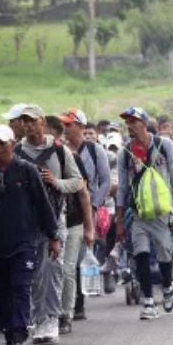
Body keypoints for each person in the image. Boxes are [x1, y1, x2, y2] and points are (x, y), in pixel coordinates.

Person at [0, 125, 60, 345]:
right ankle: (10, 337)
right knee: (1, 293)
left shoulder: (27, 171)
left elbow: (43, 205)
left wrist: (53, 237)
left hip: (23, 243)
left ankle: (20, 335)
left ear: (13, 144)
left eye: (2, 143)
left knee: (21, 287)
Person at [14, 104, 83, 344]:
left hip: (55, 218)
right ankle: (37, 317)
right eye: (25, 121)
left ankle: (51, 318)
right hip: (25, 221)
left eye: (33, 120)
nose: (28, 125)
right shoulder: (16, 152)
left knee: (53, 269)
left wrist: (56, 182)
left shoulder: (59, 151)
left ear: (42, 122)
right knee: (32, 271)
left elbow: (77, 182)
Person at [115, 107, 173, 320]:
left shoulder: (164, 146)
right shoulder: (125, 152)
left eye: (133, 122)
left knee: (164, 255)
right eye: (127, 123)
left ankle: (167, 286)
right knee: (141, 254)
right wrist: (119, 220)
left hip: (162, 213)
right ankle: (147, 301)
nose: (130, 127)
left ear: (144, 124)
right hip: (138, 214)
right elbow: (123, 188)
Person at [58, 108, 109, 325]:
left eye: (69, 124)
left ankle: (78, 303)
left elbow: (105, 180)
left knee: (78, 258)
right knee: (66, 261)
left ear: (80, 125)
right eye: (64, 124)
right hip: (66, 211)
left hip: (88, 209)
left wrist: (95, 205)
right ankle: (68, 303)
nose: (65, 128)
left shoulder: (95, 150)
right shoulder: (60, 151)